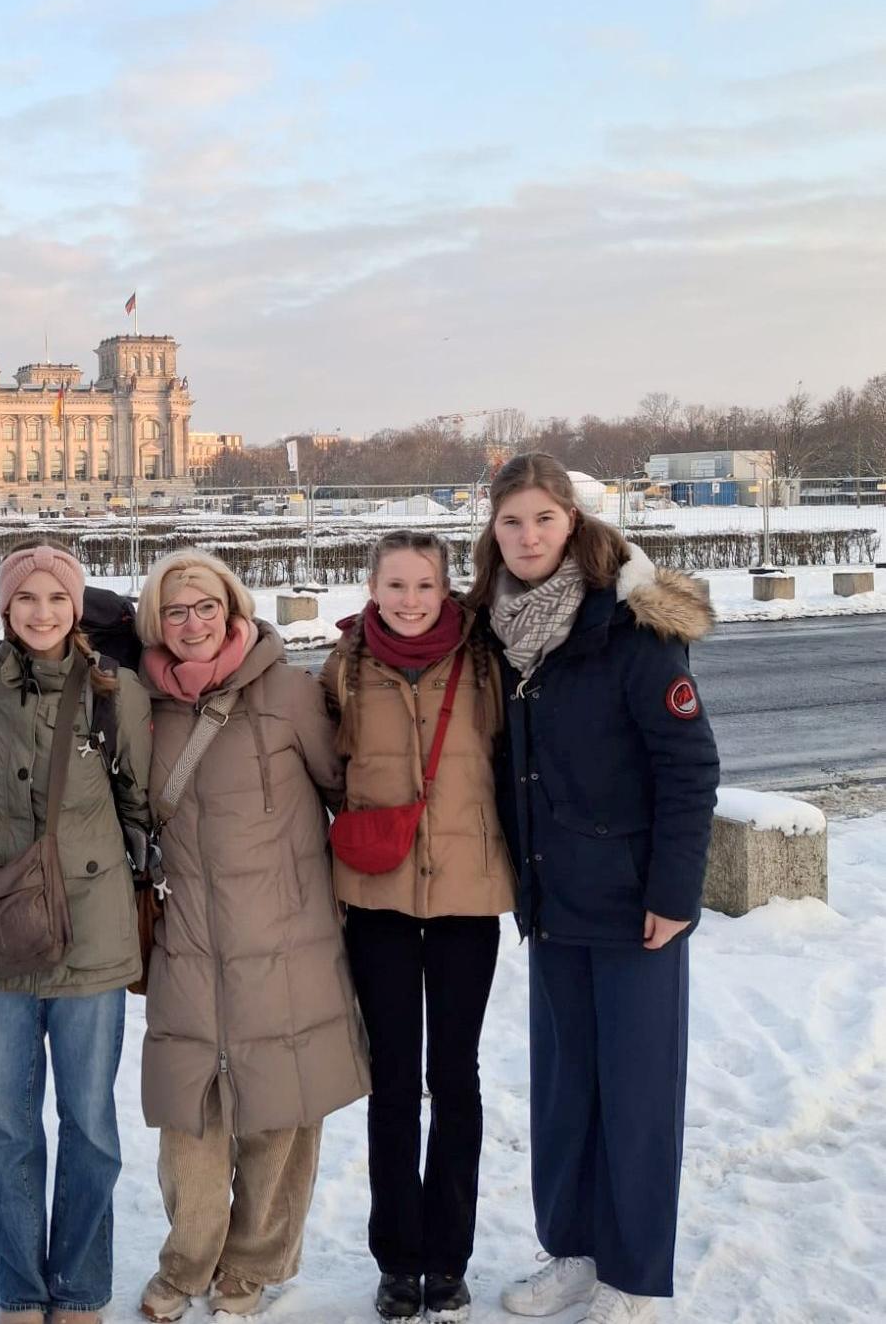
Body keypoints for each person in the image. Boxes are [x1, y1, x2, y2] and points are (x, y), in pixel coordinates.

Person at [466, 454, 719, 1324]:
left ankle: (634, 1273)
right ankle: (572, 1250)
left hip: (634, 902)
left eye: (543, 518)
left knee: (639, 1093)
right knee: (565, 1085)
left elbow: (688, 768)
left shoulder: (629, 628)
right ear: (492, 534)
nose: (528, 536)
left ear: (571, 522)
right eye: (511, 522)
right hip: (552, 897)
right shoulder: (496, 629)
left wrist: (675, 894)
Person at [136, 549, 369, 1322]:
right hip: (190, 938)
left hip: (287, 937)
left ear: (232, 609)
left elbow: (346, 793)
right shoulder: (140, 702)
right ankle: (188, 1259)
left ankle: (256, 1260)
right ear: (154, 622)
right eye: (175, 611)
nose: (192, 623)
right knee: (189, 1114)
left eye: (205, 606)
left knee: (281, 1109)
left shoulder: (288, 693)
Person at [0, 540, 153, 1324]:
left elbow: (141, 803)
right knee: (6, 1123)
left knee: (89, 1121)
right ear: (6, 608)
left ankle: (78, 1286)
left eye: (56, 599)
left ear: (78, 608)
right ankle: (20, 1287)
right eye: (26, 599)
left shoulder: (114, 691)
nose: (41, 613)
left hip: (91, 933)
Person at [323, 529, 515, 1323]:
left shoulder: (486, 665)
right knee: (395, 1084)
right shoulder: (345, 670)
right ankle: (399, 1259)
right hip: (379, 903)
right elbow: (324, 773)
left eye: (424, 586)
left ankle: (451, 1254)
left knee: (457, 1080)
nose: (408, 600)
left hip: (469, 897)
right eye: (394, 586)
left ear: (447, 589)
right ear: (373, 588)